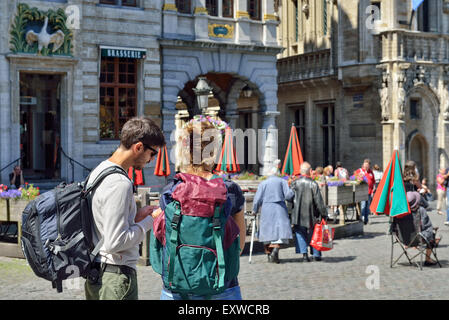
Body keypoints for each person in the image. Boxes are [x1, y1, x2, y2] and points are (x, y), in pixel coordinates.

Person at [157, 117, 246, 300]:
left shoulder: (170, 191)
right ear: (215, 151)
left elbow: (162, 238)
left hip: (177, 284)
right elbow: (239, 246)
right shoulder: (229, 189)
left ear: (183, 149)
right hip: (222, 284)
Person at [84, 116, 165, 300]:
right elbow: (115, 242)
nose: (152, 160)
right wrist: (150, 221)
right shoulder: (120, 183)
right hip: (115, 277)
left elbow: (104, 225)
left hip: (98, 271)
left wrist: (135, 217)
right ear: (138, 147)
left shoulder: (99, 170)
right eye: (152, 153)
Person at [252, 162, 294, 263]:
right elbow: (288, 196)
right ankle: (275, 250)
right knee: (279, 232)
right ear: (277, 173)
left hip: (267, 209)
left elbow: (257, 199)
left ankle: (269, 254)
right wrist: (292, 191)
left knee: (267, 233)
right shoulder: (282, 181)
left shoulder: (263, 183)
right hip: (279, 208)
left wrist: (254, 209)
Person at [290, 162, 328, 262]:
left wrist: (290, 213)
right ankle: (316, 254)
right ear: (310, 171)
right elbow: (319, 201)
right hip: (312, 213)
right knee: (314, 233)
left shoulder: (294, 183)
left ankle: (304, 255)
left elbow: (289, 198)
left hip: (298, 213)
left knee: (300, 232)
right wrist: (324, 214)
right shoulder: (313, 184)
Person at [406, 191, 441, 266]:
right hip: (418, 238)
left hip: (404, 239)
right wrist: (433, 229)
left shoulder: (402, 212)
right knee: (433, 235)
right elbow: (427, 226)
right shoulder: (421, 210)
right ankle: (427, 259)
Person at [355, 159, 375, 225]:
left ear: (369, 166)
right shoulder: (360, 171)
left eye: (367, 165)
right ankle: (363, 217)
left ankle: (366, 219)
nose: (366, 166)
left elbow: (373, 181)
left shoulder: (371, 172)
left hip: (369, 191)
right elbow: (354, 177)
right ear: (363, 165)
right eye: (365, 165)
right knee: (363, 205)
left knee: (367, 206)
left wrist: (373, 189)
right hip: (362, 191)